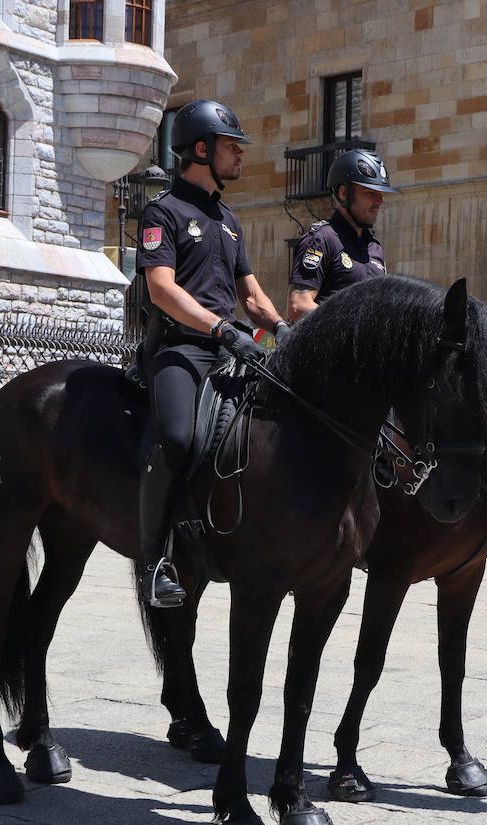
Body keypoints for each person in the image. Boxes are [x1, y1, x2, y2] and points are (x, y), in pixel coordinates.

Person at [135, 99, 288, 608]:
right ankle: (155, 561)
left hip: (232, 349)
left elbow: (252, 294)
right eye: (231, 146)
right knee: (179, 437)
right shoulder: (163, 211)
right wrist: (220, 328)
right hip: (182, 349)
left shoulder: (227, 218)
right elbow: (161, 289)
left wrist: (282, 327)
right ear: (201, 149)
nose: (240, 155)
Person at [287, 149, 398, 321]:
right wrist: (353, 330)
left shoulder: (374, 248)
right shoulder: (322, 238)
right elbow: (298, 305)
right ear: (343, 193)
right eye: (370, 193)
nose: (379, 201)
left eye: (381, 194)